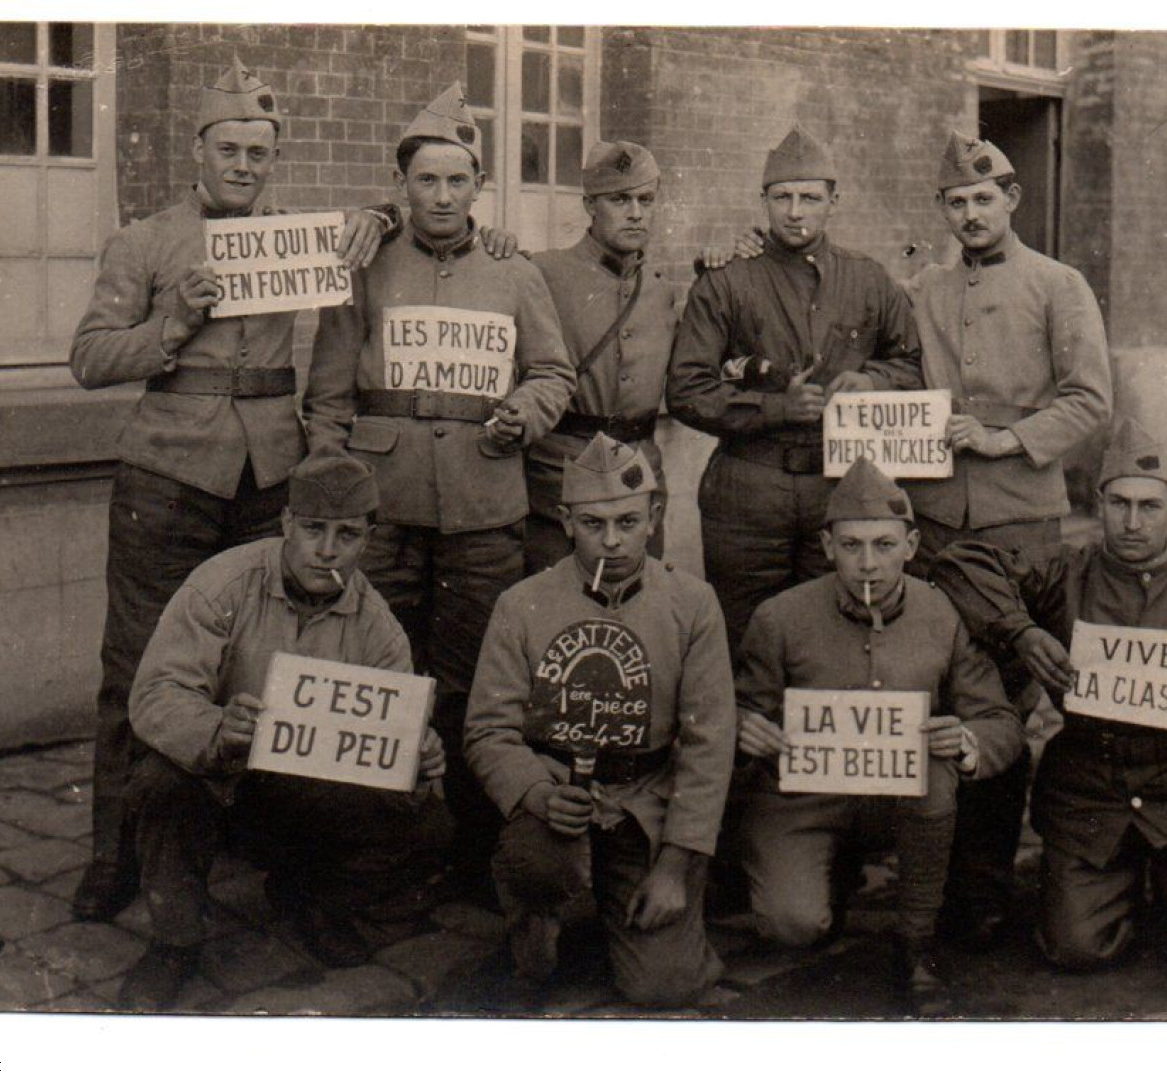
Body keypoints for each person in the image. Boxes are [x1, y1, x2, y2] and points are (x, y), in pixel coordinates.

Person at [67, 56, 399, 923]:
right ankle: (117, 851)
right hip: (168, 472)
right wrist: (170, 324)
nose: (244, 164)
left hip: (269, 478)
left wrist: (320, 452)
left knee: (271, 660)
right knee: (137, 663)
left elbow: (339, 335)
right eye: (230, 148)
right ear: (198, 151)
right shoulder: (146, 242)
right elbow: (90, 358)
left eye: (260, 151)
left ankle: (256, 836)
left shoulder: (297, 240)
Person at [303, 83, 576, 894]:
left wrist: (522, 415)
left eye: (458, 181)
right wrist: (334, 487)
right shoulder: (367, 267)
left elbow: (554, 372)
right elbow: (326, 395)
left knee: (474, 680)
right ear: (402, 188)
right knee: (374, 674)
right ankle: (371, 849)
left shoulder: (513, 271)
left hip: (484, 505)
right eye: (427, 180)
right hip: (381, 507)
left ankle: (465, 849)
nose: (443, 196)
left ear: (478, 189)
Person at [931, 419, 1167, 978]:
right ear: (1098, 504)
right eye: (1119, 504)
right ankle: (1117, 886)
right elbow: (958, 563)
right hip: (1093, 798)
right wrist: (1021, 630)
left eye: (1148, 506)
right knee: (1076, 947)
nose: (1133, 522)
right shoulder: (1063, 575)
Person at [115, 456, 452, 1010]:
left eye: (347, 535)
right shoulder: (223, 585)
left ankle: (310, 896)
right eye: (315, 530)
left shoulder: (377, 625)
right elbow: (155, 696)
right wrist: (219, 729)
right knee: (159, 782)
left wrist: (416, 753)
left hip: (301, 793)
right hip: (221, 777)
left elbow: (392, 735)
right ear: (287, 523)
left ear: (369, 537)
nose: (327, 550)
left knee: (427, 826)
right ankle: (174, 941)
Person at [906, 131, 1114, 946]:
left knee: (1000, 705)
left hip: (1016, 524)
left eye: (982, 199)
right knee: (935, 699)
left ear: (1011, 200)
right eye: (955, 203)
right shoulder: (921, 287)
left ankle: (983, 892)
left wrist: (1005, 439)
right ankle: (931, 875)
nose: (969, 214)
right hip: (930, 526)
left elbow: (1090, 398)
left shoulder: (1057, 286)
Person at [731, 458, 1023, 1009]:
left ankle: (915, 942)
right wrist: (749, 735)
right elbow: (740, 713)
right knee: (792, 925)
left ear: (912, 545)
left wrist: (966, 743)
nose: (868, 564)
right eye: (852, 545)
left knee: (936, 768)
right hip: (806, 799)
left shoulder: (942, 613)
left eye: (885, 545)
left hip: (902, 800)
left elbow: (1000, 721)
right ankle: (830, 874)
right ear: (826, 545)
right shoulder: (780, 618)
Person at [464, 434, 736, 1007]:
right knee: (537, 861)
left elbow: (709, 742)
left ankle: (626, 914)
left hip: (646, 803)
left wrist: (676, 863)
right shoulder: (523, 604)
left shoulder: (691, 604)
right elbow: (488, 729)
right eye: (592, 524)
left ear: (655, 516)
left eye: (628, 521)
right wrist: (536, 792)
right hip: (559, 798)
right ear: (565, 521)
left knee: (666, 985)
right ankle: (537, 913)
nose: (612, 541)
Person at [666, 125, 924, 657]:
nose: (795, 211)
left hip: (841, 487)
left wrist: (871, 381)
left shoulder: (870, 280)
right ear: (763, 201)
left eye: (810, 197)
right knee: (744, 634)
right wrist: (777, 407)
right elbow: (687, 388)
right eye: (782, 197)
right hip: (748, 489)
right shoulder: (727, 279)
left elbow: (913, 364)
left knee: (835, 633)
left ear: (834, 202)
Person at [524, 141, 678, 574]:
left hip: (639, 475)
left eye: (645, 200)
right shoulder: (543, 273)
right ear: (590, 204)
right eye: (619, 199)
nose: (635, 213)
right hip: (561, 473)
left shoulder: (662, 289)